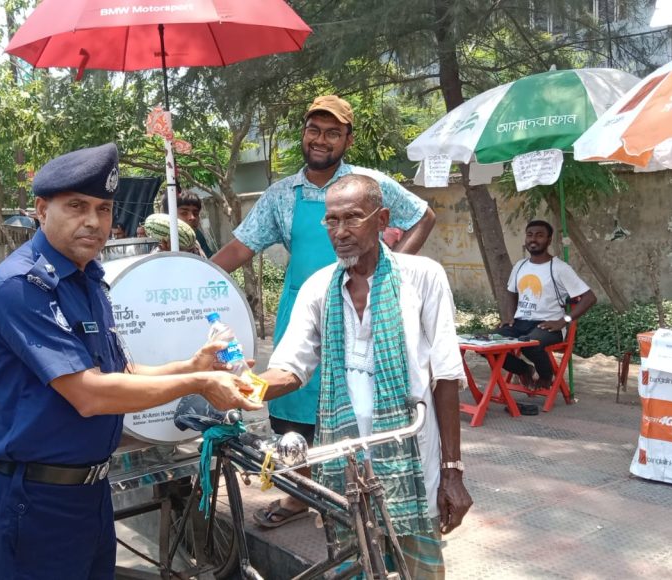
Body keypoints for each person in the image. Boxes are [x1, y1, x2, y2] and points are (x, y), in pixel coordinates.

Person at [0, 143, 260, 579]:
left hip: (89, 496)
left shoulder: (87, 279)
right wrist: (199, 383)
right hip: (32, 503)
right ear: (40, 209)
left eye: (103, 209)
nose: (93, 221)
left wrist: (193, 364)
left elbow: (122, 375)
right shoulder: (23, 285)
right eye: (76, 206)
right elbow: (89, 394)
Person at [212, 94, 437, 525]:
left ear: (347, 139)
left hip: (360, 312)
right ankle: (299, 494)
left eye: (333, 133)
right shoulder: (282, 194)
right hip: (302, 310)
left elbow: (423, 215)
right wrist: (192, 276)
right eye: (314, 130)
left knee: (359, 402)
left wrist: (396, 271)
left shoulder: (368, 185)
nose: (321, 140)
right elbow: (241, 247)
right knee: (291, 406)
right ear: (304, 133)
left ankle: (362, 496)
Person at [259, 174, 471, 578]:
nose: (340, 232)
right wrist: (242, 385)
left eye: (352, 218)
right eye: (331, 220)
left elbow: (445, 375)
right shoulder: (319, 288)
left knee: (419, 568)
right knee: (352, 562)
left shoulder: (422, 277)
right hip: (345, 461)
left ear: (382, 219)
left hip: (411, 458)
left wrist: (453, 472)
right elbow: (291, 366)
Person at [499, 220, 597, 390]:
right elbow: (511, 292)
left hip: (549, 325)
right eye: (530, 235)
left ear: (549, 240)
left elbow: (589, 298)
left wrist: (564, 320)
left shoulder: (560, 268)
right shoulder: (519, 266)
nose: (533, 239)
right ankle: (524, 370)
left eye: (539, 235)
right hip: (521, 323)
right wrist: (510, 317)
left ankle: (546, 376)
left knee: (529, 344)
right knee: (485, 345)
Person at [161, 188, 214, 256]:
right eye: (184, 213)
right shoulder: (160, 249)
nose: (192, 217)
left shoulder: (197, 236)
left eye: (195, 213)